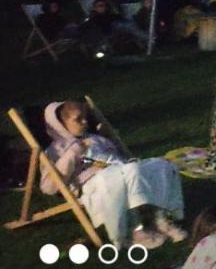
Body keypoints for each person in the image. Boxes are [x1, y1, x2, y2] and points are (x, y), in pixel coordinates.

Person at [42, 99, 186, 248]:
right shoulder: (55, 150)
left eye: (85, 117)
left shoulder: (94, 138)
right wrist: (73, 152)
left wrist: (109, 139)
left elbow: (119, 156)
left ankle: (161, 219)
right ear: (60, 124)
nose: (85, 122)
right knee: (120, 175)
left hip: (121, 169)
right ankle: (133, 229)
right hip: (94, 181)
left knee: (161, 165)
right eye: (78, 119)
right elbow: (48, 187)